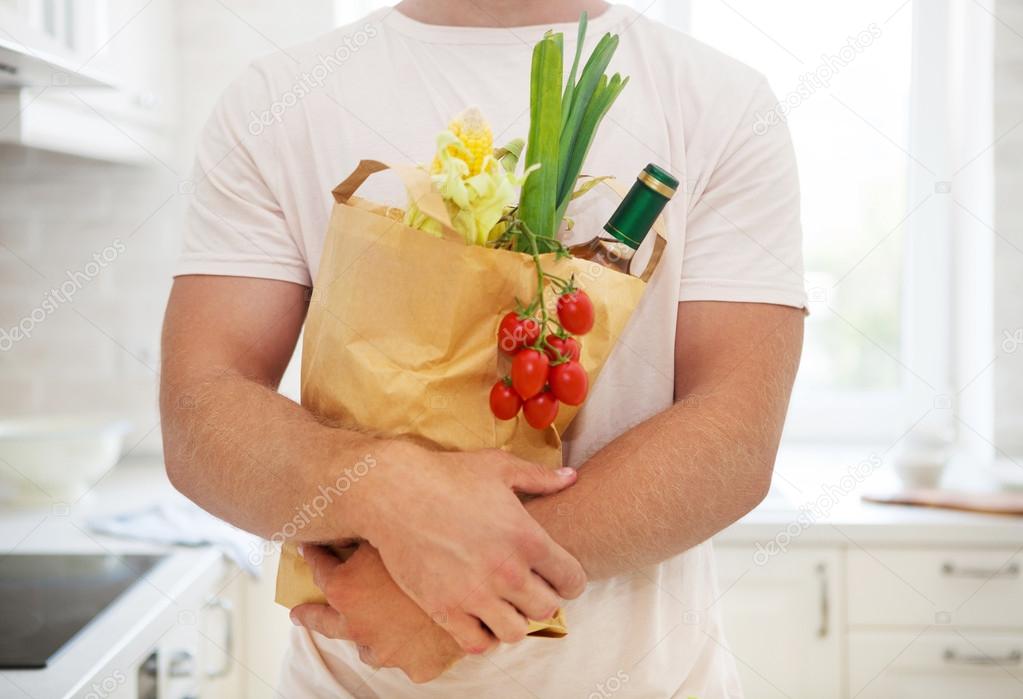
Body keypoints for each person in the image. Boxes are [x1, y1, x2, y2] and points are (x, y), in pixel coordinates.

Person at [160, 0, 806, 696]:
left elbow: (734, 436)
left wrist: (435, 585)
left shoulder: (721, 103)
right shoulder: (273, 100)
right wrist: (390, 491)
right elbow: (200, 410)